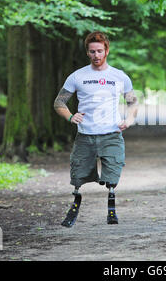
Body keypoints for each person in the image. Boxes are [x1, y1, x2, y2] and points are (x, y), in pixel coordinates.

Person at [54, 31, 138, 227]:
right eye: (92, 52)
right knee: (78, 175)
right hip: (85, 135)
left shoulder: (119, 76)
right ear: (87, 53)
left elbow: (133, 102)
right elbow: (59, 102)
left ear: (107, 50)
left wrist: (130, 119)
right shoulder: (78, 76)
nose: (96, 55)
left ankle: (111, 203)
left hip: (112, 134)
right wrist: (70, 116)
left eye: (100, 51)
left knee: (113, 173)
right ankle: (75, 204)